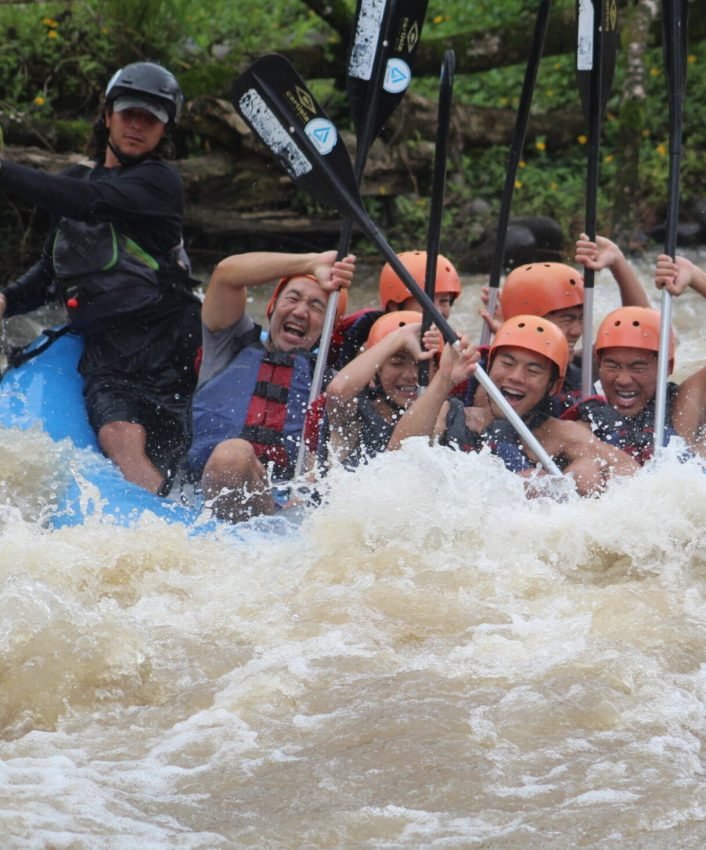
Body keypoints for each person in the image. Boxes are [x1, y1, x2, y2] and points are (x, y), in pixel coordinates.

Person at [0, 61, 201, 496]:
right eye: (129, 114)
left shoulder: (158, 183)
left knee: (177, 449)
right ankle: (149, 521)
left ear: (164, 130)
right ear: (107, 114)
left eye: (151, 120)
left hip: (168, 345)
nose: (137, 126)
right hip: (107, 351)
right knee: (117, 435)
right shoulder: (76, 179)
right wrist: (8, 301)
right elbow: (53, 271)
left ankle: (174, 527)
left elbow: (89, 201)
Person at [187, 249, 355, 523]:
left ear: (328, 329)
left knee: (234, 455)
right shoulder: (227, 344)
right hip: (206, 493)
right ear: (272, 306)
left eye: (316, 306)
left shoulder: (331, 383)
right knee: (232, 455)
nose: (300, 312)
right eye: (293, 298)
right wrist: (311, 262)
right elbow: (226, 275)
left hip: (284, 511)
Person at [388, 314, 639, 495]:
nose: (516, 377)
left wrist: (562, 484)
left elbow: (633, 473)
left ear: (552, 386)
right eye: (507, 364)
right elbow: (396, 457)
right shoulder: (450, 414)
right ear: (490, 367)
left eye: (533, 370)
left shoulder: (559, 433)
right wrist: (443, 380)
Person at [479, 235, 649, 411]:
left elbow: (642, 331)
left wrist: (617, 262)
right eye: (566, 319)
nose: (577, 331)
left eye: (581, 318)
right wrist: (509, 335)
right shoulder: (492, 372)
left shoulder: (582, 367)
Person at [565, 305, 706, 462]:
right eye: (612, 366)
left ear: (668, 367)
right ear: (599, 365)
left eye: (638, 368)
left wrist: (693, 280)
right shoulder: (585, 426)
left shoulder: (682, 408)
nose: (623, 380)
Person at [325, 310, 437, 467]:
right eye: (397, 363)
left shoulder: (449, 415)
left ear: (437, 370)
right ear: (375, 372)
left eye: (421, 364)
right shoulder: (355, 414)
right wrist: (401, 336)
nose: (411, 375)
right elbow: (337, 392)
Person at [334, 250, 461, 369]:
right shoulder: (367, 343)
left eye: (444, 301)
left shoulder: (450, 343)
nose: (438, 312)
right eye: (426, 302)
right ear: (394, 307)